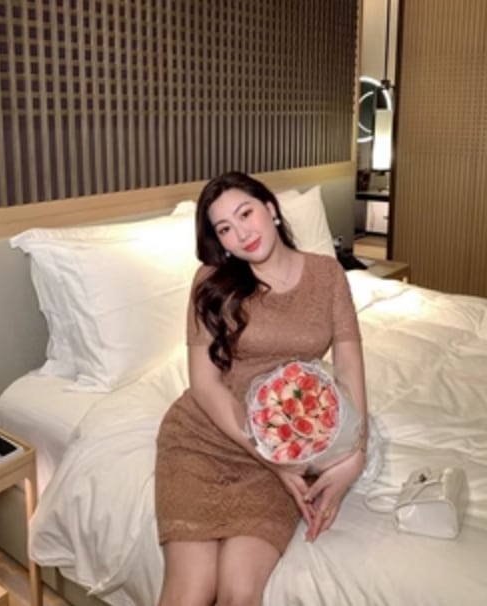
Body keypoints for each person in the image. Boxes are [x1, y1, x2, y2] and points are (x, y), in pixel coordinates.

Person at [155, 171, 368, 606]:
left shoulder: (327, 275)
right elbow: (204, 383)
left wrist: (355, 452)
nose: (241, 234)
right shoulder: (211, 281)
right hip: (206, 438)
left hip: (287, 441)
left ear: (270, 208)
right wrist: (269, 456)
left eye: (245, 213)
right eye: (224, 228)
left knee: (239, 592)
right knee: (191, 592)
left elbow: (348, 366)